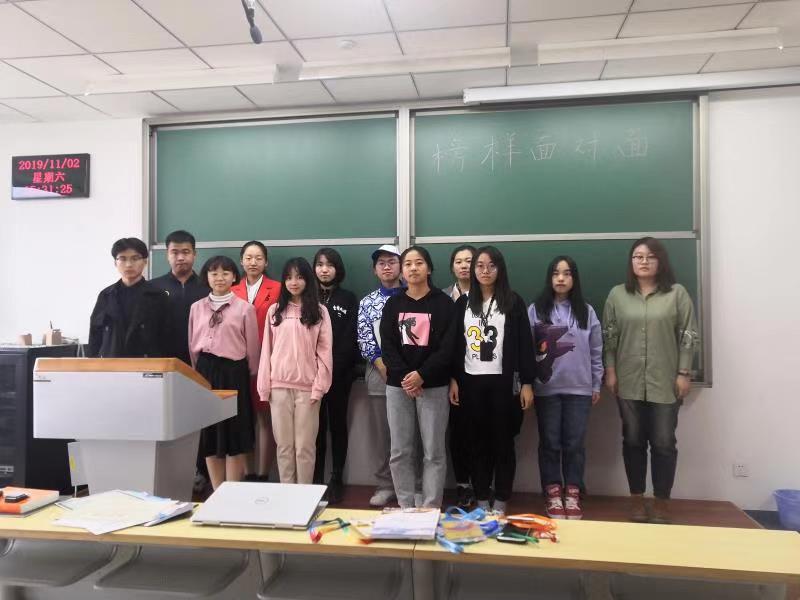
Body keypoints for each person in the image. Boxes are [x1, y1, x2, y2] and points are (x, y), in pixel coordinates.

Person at [603, 237, 699, 524]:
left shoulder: (677, 294)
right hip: (628, 380)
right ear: (631, 262)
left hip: (665, 381)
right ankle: (636, 499)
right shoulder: (617, 295)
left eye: (650, 256)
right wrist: (610, 370)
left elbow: (689, 335)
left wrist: (684, 372)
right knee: (633, 440)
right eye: (638, 256)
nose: (643, 261)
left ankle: (661, 502)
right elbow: (609, 337)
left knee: (663, 442)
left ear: (660, 261)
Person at [449, 246, 535, 515]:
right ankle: (482, 497)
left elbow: (524, 344)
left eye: (491, 266)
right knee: (476, 443)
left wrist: (527, 382)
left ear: (500, 269)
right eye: (480, 266)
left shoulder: (513, 302)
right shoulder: (462, 303)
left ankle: (501, 498)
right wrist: (454, 379)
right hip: (470, 382)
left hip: (503, 384)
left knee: (503, 442)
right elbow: (454, 345)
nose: (485, 271)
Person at [380, 245, 456, 509]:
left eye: (419, 263)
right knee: (400, 451)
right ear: (402, 271)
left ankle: (430, 507)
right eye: (408, 264)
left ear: (429, 268)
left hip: (433, 386)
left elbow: (448, 347)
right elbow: (387, 345)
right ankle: (406, 506)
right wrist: (406, 377)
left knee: (433, 452)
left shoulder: (444, 304)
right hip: (398, 387)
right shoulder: (393, 304)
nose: (413, 268)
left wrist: (422, 375)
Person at [529, 256, 602, 520]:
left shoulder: (587, 311)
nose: (561, 278)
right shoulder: (536, 310)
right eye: (556, 273)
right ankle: (552, 493)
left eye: (567, 273)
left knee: (574, 444)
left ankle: (572, 492)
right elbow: (526, 349)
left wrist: (596, 383)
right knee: (550, 443)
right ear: (549, 278)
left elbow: (596, 350)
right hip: (546, 389)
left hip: (579, 389)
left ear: (574, 279)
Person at [257, 258, 333, 484]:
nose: (294, 282)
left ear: (307, 280)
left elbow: (325, 352)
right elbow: (266, 351)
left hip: (308, 390)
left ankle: (304, 497)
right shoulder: (274, 311)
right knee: (284, 447)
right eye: (289, 277)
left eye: (299, 277)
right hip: (279, 388)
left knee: (304, 448)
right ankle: (287, 495)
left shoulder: (319, 312)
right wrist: (264, 387)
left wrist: (319, 387)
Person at [188, 256, 260, 489]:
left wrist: (248, 374)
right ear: (206, 277)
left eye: (225, 273)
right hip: (205, 372)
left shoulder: (245, 309)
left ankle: (232, 490)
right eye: (214, 273)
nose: (219, 278)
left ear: (234, 277)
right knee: (209, 432)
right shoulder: (196, 308)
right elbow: (192, 346)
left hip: (234, 373)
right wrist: (199, 373)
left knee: (234, 432)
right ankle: (217, 489)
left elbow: (253, 350)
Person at [357, 244, 405, 506]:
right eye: (381, 263)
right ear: (375, 270)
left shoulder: (414, 295)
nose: (387, 267)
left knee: (412, 435)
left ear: (402, 266)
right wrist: (382, 365)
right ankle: (386, 485)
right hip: (379, 375)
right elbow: (364, 339)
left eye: (392, 262)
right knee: (383, 435)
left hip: (413, 375)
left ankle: (413, 485)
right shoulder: (368, 302)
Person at [231, 241, 281, 482]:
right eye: (249, 258)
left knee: (264, 418)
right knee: (242, 419)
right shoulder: (231, 289)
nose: (253, 262)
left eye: (258, 258)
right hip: (237, 362)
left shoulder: (278, 288)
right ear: (241, 261)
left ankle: (263, 474)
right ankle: (247, 472)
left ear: (266, 262)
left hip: (267, 361)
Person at [312, 248, 358, 503]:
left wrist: (333, 366)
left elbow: (351, 338)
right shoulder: (307, 297)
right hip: (310, 376)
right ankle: (315, 479)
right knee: (315, 428)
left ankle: (337, 477)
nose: (324, 269)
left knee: (338, 425)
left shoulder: (349, 298)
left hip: (340, 374)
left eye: (329, 265)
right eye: (320, 264)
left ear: (337, 269)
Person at [88, 237, 170, 358]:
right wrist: (92, 363)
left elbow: (167, 337)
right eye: (122, 258)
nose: (129, 264)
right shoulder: (106, 295)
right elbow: (95, 335)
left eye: (135, 258)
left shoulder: (158, 296)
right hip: (112, 363)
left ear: (145, 261)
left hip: (147, 364)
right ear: (115, 263)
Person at [443, 244, 478, 508]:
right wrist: (451, 376)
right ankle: (463, 485)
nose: (464, 265)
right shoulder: (443, 297)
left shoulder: (490, 295)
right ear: (452, 267)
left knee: (483, 431)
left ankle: (483, 484)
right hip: (452, 377)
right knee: (458, 433)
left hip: (484, 374)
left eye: (470, 260)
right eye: (459, 261)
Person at [151, 230, 209, 366]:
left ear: (194, 254)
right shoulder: (153, 288)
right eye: (175, 252)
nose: (181, 257)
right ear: (167, 255)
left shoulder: (208, 287)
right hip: (164, 360)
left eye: (186, 252)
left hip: (201, 359)